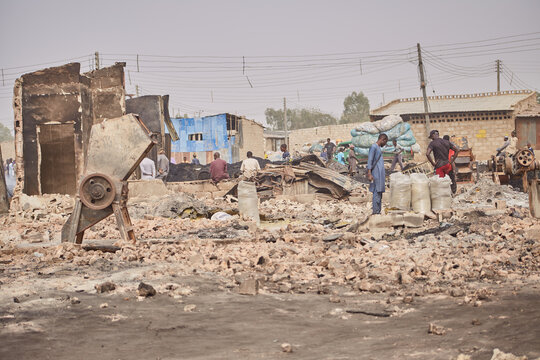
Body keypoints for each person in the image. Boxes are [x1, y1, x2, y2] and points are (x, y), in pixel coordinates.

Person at [367, 134, 388, 215]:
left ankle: (378, 211)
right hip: (376, 174)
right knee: (376, 192)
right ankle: (375, 212)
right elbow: (370, 160)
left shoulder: (378, 148)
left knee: (379, 192)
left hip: (380, 174)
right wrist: (369, 173)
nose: (385, 144)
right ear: (383, 139)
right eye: (385, 142)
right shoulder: (374, 147)